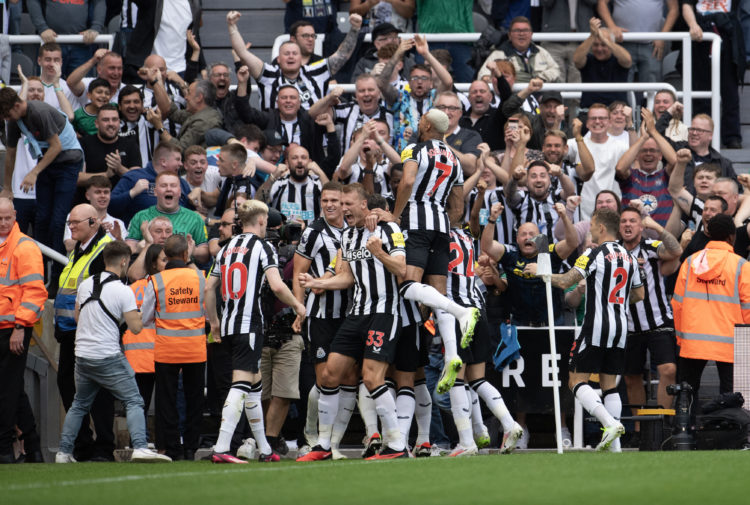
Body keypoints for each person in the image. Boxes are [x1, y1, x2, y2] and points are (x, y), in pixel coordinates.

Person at [297, 183, 408, 461]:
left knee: (371, 378)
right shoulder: (346, 235)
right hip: (356, 313)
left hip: (384, 312)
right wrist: (317, 281)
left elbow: (401, 268)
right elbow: (347, 276)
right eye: (341, 204)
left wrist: (379, 252)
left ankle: (395, 444)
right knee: (329, 374)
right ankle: (323, 444)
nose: (344, 209)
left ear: (363, 205)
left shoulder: (387, 229)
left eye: (348, 204)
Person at [530, 208, 644, 451]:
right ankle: (616, 447)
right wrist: (616, 298)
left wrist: (542, 272)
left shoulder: (594, 253)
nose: (589, 230)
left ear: (601, 228)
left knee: (575, 380)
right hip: (621, 328)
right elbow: (639, 294)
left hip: (596, 325)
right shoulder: (630, 256)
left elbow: (565, 281)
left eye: (592, 225)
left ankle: (609, 424)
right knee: (609, 384)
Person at [383, 108, 480, 394]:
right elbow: (459, 207)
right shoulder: (454, 158)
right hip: (442, 228)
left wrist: (396, 216)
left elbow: (408, 181)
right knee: (438, 295)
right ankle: (452, 354)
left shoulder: (414, 148)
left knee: (407, 284)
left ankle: (461, 313)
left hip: (416, 222)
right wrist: (445, 224)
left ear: (425, 124)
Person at [205, 200, 305, 463]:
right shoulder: (263, 247)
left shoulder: (225, 249)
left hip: (228, 325)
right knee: (240, 385)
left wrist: (214, 322)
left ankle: (265, 448)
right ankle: (221, 447)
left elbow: (208, 289)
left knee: (254, 386)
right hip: (249, 325)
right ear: (261, 221)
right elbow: (276, 286)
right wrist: (298, 305)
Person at [55, 241, 171, 464]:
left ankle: (63, 452)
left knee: (79, 404)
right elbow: (136, 327)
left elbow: (78, 318)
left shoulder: (86, 284)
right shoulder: (123, 290)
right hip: (107, 355)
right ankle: (139, 446)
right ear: (125, 261)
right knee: (134, 400)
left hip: (82, 355)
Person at [291, 182, 351, 457]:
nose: (329, 205)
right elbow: (298, 273)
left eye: (334, 201)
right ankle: (312, 436)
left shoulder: (353, 230)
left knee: (347, 377)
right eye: (325, 200)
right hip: (321, 314)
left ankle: (332, 442)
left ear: (344, 203)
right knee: (325, 378)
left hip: (350, 314)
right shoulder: (314, 232)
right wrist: (298, 309)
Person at [54, 203, 115, 461]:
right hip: (70, 333)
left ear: (93, 222)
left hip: (93, 333)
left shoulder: (105, 248)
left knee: (99, 390)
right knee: (67, 384)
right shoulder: (78, 249)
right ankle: (83, 445)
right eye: (69, 223)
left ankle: (103, 448)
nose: (71, 227)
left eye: (75, 223)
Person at [141, 234, 207, 461]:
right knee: (194, 400)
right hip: (195, 348)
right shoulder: (200, 278)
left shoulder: (156, 280)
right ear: (186, 254)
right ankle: (190, 447)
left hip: (167, 349)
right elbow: (208, 313)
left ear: (166, 256)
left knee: (166, 400)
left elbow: (146, 317)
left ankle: (170, 448)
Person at [672, 214, 750, 403]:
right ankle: (731, 431)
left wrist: (681, 339)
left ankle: (686, 430)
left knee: (686, 394)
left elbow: (677, 304)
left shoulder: (690, 262)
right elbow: (748, 307)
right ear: (732, 237)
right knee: (731, 396)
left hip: (692, 341)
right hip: (730, 343)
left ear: (708, 234)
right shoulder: (741, 265)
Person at [0, 87, 83, 257]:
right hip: (47, 161)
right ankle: (41, 266)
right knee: (41, 218)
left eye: (7, 115)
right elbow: (10, 153)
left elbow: (56, 146)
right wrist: (7, 187)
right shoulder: (14, 120)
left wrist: (34, 172)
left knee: (58, 220)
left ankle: (59, 271)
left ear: (16, 106)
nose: (7, 119)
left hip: (68, 161)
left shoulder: (38, 111)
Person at [619, 207, 682, 426]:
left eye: (633, 221)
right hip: (628, 325)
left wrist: (656, 227)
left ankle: (662, 424)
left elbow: (675, 251)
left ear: (640, 225)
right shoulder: (614, 252)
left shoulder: (650, 246)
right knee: (631, 377)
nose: (628, 225)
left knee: (668, 369)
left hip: (658, 321)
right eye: (624, 221)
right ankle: (640, 430)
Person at [227, 10, 362, 110]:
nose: (291, 56)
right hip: (276, 141)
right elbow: (243, 53)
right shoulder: (269, 74)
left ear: (300, 58)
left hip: (312, 137)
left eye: (294, 53)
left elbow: (342, 55)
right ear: (278, 59)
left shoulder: (316, 70)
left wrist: (354, 29)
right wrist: (232, 27)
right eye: (287, 53)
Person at [0, 198, 47, 464]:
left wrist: (21, 326)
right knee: (12, 389)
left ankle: (5, 448)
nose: (4, 223)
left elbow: (34, 292)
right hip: (7, 326)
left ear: (15, 215)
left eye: (8, 218)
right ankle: (32, 444)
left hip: (13, 327)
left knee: (7, 390)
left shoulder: (24, 247)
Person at [375, 36, 454, 151]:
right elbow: (381, 83)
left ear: (431, 83)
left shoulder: (436, 98)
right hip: (403, 157)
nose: (420, 81)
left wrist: (426, 54)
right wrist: (398, 53)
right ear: (409, 82)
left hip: (431, 155)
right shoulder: (400, 98)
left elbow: (448, 82)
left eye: (424, 78)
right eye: (415, 78)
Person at [126, 172, 209, 263]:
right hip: (148, 272)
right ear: (155, 191)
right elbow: (128, 250)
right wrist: (138, 248)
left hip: (181, 271)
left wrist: (193, 250)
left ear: (180, 192)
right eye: (164, 185)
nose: (168, 189)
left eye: (173, 186)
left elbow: (205, 255)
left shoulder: (195, 218)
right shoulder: (141, 216)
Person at [109, 142, 194, 224]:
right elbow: (110, 206)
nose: (181, 164)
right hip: (139, 235)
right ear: (163, 162)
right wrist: (132, 193)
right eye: (177, 160)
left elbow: (191, 213)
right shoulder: (133, 177)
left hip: (176, 234)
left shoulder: (181, 183)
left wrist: (197, 195)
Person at [596, 0, 678, 82]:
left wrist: (662, 36)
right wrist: (611, 26)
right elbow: (602, 3)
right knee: (622, 87)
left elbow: (674, 9)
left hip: (652, 45)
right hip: (622, 43)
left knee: (652, 89)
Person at [27, 0, 104, 76]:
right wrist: (42, 27)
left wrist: (96, 28)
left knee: (81, 86)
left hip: (81, 43)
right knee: (48, 86)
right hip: (51, 44)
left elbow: (99, 2)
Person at [477, 16, 562, 83]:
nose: (521, 34)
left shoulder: (541, 52)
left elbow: (556, 70)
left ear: (531, 34)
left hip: (540, 98)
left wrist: (541, 78)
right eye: (517, 31)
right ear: (510, 35)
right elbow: (483, 75)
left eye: (525, 30)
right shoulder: (499, 54)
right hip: (512, 98)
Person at [79, 104, 143, 191]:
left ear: (119, 122)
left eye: (114, 120)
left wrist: (119, 168)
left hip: (124, 199)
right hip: (90, 201)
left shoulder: (130, 145)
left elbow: (138, 179)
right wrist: (105, 175)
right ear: (97, 123)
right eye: (105, 120)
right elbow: (76, 178)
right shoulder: (84, 143)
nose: (111, 124)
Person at [573, 18, 632, 109]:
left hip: (616, 112)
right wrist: (592, 36)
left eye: (603, 45)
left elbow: (628, 60)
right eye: (596, 45)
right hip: (590, 111)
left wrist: (607, 41)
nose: (599, 49)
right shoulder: (588, 59)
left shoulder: (618, 59)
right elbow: (576, 60)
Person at [146, 80, 223, 150]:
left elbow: (180, 149)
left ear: (199, 98)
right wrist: (157, 82)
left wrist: (159, 127)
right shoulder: (198, 113)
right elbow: (173, 113)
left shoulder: (204, 122)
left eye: (189, 93)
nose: (185, 97)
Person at [64, 176, 127, 252]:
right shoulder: (74, 217)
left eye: (106, 192)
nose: (103, 196)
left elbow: (125, 254)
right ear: (87, 195)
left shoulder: (118, 223)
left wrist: (119, 239)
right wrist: (96, 231)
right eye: (98, 192)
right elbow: (69, 246)